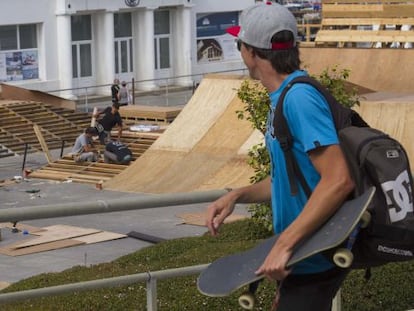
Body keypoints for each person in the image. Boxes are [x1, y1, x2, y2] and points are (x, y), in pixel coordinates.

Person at [205, 3, 355, 311]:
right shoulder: (285, 96)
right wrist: (238, 194)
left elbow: (339, 179)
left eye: (240, 45)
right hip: (300, 258)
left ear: (251, 53)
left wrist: (283, 246)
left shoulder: (298, 99)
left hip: (312, 254)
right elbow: (291, 179)